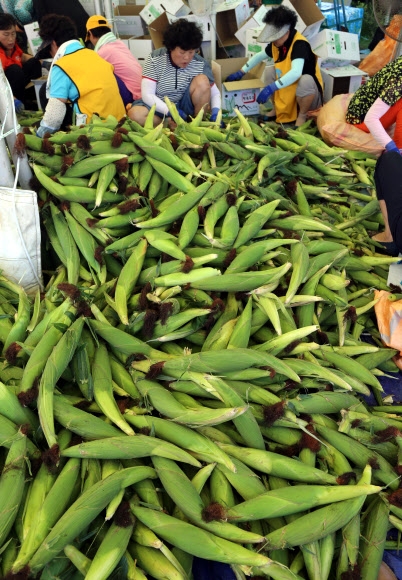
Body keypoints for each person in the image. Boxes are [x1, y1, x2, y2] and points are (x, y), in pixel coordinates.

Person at [226, 5, 323, 126]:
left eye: (275, 38)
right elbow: (258, 56)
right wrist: (241, 71)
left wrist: (271, 88)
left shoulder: (299, 44)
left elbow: (296, 72)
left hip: (308, 95)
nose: (273, 41)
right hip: (290, 90)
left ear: (286, 32)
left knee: (306, 80)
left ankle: (302, 115)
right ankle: (276, 109)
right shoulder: (277, 45)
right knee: (270, 70)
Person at [35, 14, 125, 138]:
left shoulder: (62, 65)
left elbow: (53, 118)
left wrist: (39, 136)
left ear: (54, 44)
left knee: (47, 94)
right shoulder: (94, 55)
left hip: (92, 130)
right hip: (119, 123)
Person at [128, 19, 222, 127]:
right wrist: (170, 111)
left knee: (203, 81)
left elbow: (214, 92)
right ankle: (167, 123)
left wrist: (215, 112)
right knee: (135, 115)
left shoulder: (200, 63)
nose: (187, 57)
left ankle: (195, 124)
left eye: (191, 52)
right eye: (182, 52)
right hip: (159, 106)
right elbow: (147, 94)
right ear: (171, 47)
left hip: (186, 108)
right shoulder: (155, 58)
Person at [346, 56, 402, 155]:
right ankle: (400, 148)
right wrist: (391, 147)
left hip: (365, 108)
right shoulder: (398, 82)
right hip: (360, 119)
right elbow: (371, 119)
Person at [85, 14, 142, 107]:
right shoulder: (119, 43)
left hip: (132, 96)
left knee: (101, 75)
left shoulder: (102, 52)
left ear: (90, 34)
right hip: (142, 91)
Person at [0, 13, 41, 112]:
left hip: (15, 82)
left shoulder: (11, 46)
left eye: (13, 34)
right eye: (6, 34)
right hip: (3, 90)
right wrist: (12, 99)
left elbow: (21, 56)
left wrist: (42, 61)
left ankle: (27, 98)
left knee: (34, 63)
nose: (11, 39)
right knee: (15, 70)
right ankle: (15, 105)